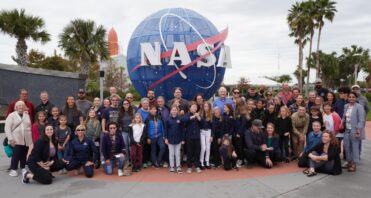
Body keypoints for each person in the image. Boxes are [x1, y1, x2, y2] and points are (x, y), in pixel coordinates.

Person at [5, 101, 33, 177]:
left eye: (22, 105)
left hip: (26, 139)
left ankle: (23, 167)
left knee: (24, 155)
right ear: (16, 107)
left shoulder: (26, 115)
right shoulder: (11, 115)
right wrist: (10, 139)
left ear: (24, 107)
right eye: (19, 105)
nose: (21, 107)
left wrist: (30, 138)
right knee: (16, 154)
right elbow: (7, 128)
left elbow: (29, 126)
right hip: (15, 139)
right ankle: (13, 169)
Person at [342, 92, 365, 172]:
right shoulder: (346, 106)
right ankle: (349, 162)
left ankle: (354, 164)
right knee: (347, 146)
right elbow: (344, 116)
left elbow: (361, 120)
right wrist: (342, 123)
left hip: (355, 130)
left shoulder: (359, 107)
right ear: (348, 98)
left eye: (353, 97)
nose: (351, 98)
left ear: (356, 98)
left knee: (354, 147)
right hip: (347, 129)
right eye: (350, 97)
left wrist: (358, 129)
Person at [182, 102, 202, 173]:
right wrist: (193, 116)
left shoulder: (198, 115)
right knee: (189, 152)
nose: (195, 108)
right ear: (189, 108)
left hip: (197, 136)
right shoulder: (186, 115)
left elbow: (202, 124)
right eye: (193, 107)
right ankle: (189, 167)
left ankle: (197, 166)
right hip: (189, 136)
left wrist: (199, 118)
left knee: (197, 151)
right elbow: (183, 120)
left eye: (196, 107)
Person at [164, 106, 184, 173]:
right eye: (173, 110)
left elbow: (182, 130)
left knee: (177, 153)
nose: (174, 111)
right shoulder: (167, 119)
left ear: (177, 111)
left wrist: (182, 139)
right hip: (170, 139)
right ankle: (172, 167)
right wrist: (166, 138)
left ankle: (178, 166)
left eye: (175, 110)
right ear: (171, 111)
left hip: (178, 139)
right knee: (171, 154)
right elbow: (165, 129)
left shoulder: (180, 119)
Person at [200, 102, 213, 169]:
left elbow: (212, 126)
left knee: (208, 148)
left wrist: (212, 136)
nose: (206, 108)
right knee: (203, 148)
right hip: (202, 132)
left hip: (209, 132)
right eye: (205, 106)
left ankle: (207, 161)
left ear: (209, 107)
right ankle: (201, 162)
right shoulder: (201, 114)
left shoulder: (211, 115)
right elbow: (199, 123)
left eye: (207, 106)